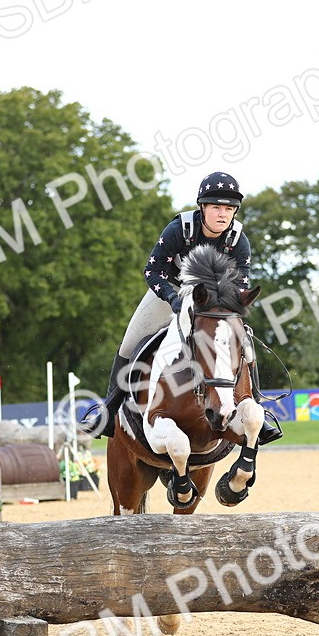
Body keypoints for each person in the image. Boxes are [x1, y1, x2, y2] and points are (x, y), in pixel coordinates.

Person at [78, 171, 282, 444]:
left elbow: (240, 286)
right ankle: (108, 409)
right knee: (130, 343)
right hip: (170, 291)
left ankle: (256, 404)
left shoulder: (238, 239)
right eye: (217, 207)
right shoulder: (179, 229)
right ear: (202, 207)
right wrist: (173, 300)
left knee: (245, 344)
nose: (223, 214)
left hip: (214, 305)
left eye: (229, 209)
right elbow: (152, 270)